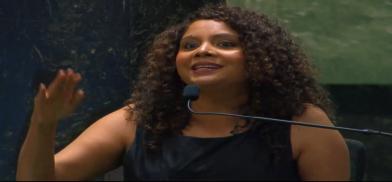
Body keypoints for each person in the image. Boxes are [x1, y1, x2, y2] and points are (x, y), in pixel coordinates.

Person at [16, 4, 350, 181]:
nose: (202, 51)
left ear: (260, 59)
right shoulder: (137, 119)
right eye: (189, 45)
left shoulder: (304, 122)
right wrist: (44, 124)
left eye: (225, 44)